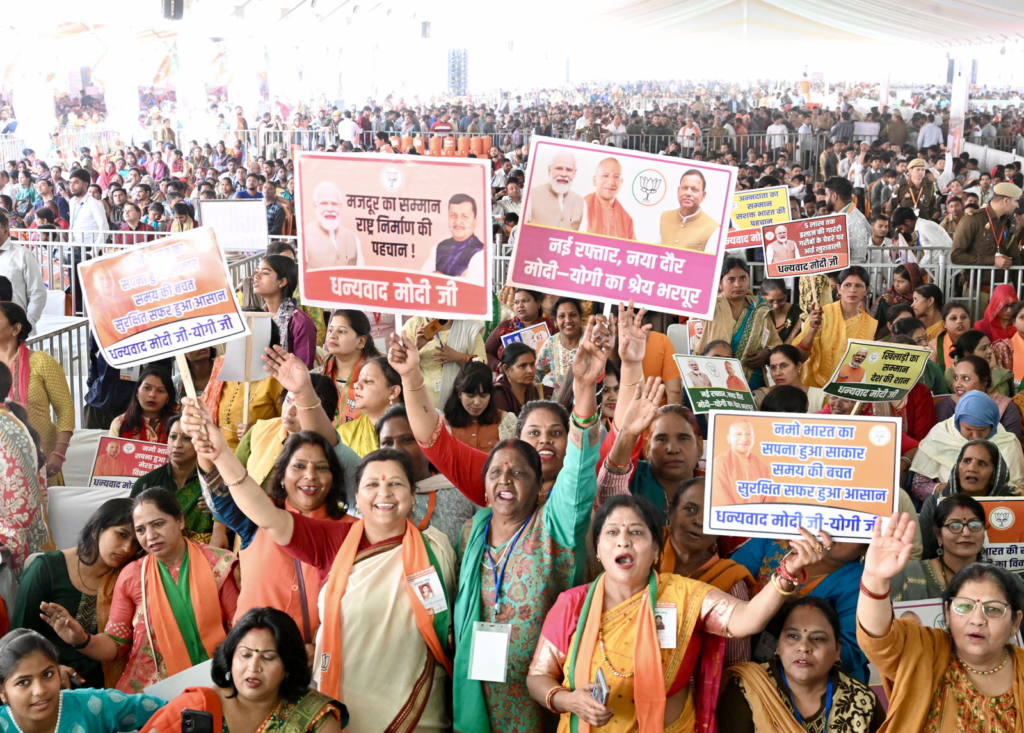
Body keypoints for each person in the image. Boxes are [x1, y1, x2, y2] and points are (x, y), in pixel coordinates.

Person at [390, 312, 612, 732]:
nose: (506, 480)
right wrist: (411, 376)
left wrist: (584, 389)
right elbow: (435, 441)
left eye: (519, 473)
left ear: (537, 485)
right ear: (484, 486)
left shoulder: (555, 524)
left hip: (545, 692)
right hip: (479, 686)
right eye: (496, 473)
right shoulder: (474, 530)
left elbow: (581, 467)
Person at [184, 397, 455, 733]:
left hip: (421, 705)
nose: (383, 493)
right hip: (348, 700)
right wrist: (221, 453)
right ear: (358, 496)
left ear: (413, 496)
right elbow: (264, 515)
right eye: (372, 484)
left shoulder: (437, 549)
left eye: (395, 483)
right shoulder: (334, 538)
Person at [526, 494, 828, 733]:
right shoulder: (572, 604)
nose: (623, 540)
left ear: (656, 550)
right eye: (612, 532)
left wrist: (787, 573)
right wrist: (567, 699)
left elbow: (746, 620)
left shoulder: (684, 595)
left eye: (636, 532)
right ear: (597, 549)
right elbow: (538, 677)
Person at [41, 488, 238, 692]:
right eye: (141, 530)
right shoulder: (133, 575)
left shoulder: (218, 565)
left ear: (180, 520)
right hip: (150, 692)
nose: (150, 536)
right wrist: (82, 639)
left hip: (215, 682)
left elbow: (240, 632)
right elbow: (115, 645)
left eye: (158, 524)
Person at [857, 513, 1024, 733]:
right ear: (947, 613)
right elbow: (878, 639)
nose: (977, 620)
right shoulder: (923, 649)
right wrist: (874, 579)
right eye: (964, 607)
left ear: (1015, 622)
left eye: (993, 609)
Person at [139, 607, 346, 733]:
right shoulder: (195, 708)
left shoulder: (312, 715)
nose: (253, 667)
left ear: (288, 667)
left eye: (268, 657)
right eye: (245, 655)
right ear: (230, 659)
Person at [11, 499, 138, 689]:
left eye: (135, 543)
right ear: (97, 529)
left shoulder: (129, 578)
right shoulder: (46, 569)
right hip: (48, 678)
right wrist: (49, 669)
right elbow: (19, 637)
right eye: (122, 534)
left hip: (106, 682)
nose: (127, 548)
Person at [719, 596, 885, 733]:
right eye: (793, 636)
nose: (804, 647)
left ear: (837, 650)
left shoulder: (862, 700)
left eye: (818, 638)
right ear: (777, 645)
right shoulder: (748, 689)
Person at [0, 630, 166, 733]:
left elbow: (170, 711)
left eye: (47, 675)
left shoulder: (94, 705)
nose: (40, 690)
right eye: (23, 682)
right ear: (2, 693)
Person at [0, 303, 74, 484]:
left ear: (16, 328)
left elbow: (65, 409)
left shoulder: (42, 362)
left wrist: (58, 453)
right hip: (3, 459)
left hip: (41, 456)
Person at [910, 391, 1024, 503]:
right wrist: (946, 489)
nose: (975, 436)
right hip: (946, 507)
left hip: (997, 509)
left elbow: (1019, 490)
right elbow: (918, 486)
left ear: (993, 424)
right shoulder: (939, 437)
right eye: (968, 429)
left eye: (982, 430)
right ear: (958, 422)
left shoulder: (1007, 443)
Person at [131, 416, 226, 546]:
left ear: (202, 442)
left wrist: (220, 510)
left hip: (208, 551)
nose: (177, 445)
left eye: (187, 438)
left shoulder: (217, 481)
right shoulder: (146, 483)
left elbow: (239, 522)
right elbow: (133, 527)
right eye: (173, 437)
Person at [918, 440, 1021, 558]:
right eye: (966, 461)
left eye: (982, 463)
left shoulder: (1013, 506)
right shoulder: (934, 504)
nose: (972, 468)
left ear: (995, 475)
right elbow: (925, 554)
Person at [698, 258, 781, 390]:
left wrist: (767, 352)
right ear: (720, 283)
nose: (738, 284)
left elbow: (776, 342)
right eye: (731, 279)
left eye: (743, 278)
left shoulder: (761, 308)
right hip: (715, 381)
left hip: (753, 383)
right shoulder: (709, 307)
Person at [797, 266, 877, 388]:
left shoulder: (870, 323)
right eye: (847, 285)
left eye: (858, 286)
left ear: (866, 290)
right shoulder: (822, 314)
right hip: (817, 387)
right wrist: (812, 329)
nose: (852, 290)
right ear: (839, 289)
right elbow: (799, 356)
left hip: (850, 389)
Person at [402, 316, 486, 409]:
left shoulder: (469, 327)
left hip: (459, 404)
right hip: (421, 403)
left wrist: (459, 357)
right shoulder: (413, 325)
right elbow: (401, 365)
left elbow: (482, 367)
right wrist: (417, 346)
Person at [316, 310, 381, 427]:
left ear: (361, 341)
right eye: (330, 330)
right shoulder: (318, 375)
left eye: (342, 331)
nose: (332, 335)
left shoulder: (378, 380)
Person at [253, 255, 317, 369]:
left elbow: (304, 369)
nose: (256, 276)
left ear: (282, 282)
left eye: (265, 273)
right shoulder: (257, 317)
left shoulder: (301, 323)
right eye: (257, 271)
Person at [935, 355, 1021, 439]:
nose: (957, 384)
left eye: (966, 378)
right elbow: (942, 443)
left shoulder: (1005, 407)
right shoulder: (946, 406)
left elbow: (1010, 444)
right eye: (956, 377)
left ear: (984, 382)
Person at [443, 361, 517, 451]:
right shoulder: (443, 425)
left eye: (484, 395)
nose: (477, 402)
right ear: (459, 393)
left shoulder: (505, 422)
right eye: (471, 395)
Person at [337, 355, 402, 457]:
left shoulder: (415, 429)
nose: (357, 385)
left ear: (393, 391)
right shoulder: (345, 433)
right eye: (358, 380)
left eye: (368, 381)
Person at [710, 418, 774, 506]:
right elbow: (720, 499)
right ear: (729, 438)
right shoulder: (719, 464)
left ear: (754, 438)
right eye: (738, 434)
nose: (744, 438)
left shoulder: (762, 467)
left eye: (748, 434)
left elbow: (771, 498)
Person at [484, 289, 552, 370]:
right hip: (508, 376)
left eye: (525, 301)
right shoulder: (506, 326)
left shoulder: (550, 326)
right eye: (516, 302)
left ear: (538, 302)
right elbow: (485, 352)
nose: (520, 305)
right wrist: (499, 366)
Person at [0, 211, 46, 327]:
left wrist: (28, 322)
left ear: (5, 229)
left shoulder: (22, 254)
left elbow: (37, 293)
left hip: (16, 326)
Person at [109, 366, 177, 443]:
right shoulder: (120, 423)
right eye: (147, 388)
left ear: (168, 397)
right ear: (137, 392)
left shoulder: (179, 424)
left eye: (160, 391)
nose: (152, 395)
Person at [658, 169, 721, 252]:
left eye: (694, 190)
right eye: (684, 188)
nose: (688, 193)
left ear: (703, 195)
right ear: (678, 191)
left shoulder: (713, 229)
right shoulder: (664, 217)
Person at [425, 194, 484, 279]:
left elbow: (471, 284)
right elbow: (424, 277)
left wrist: (438, 275)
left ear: (475, 221)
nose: (458, 222)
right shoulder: (439, 248)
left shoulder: (481, 252)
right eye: (453, 215)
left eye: (464, 216)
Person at [753, 344, 826, 411]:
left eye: (784, 366)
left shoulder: (821, 397)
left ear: (798, 366)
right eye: (773, 367)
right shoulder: (761, 396)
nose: (778, 373)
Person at [535, 297, 584, 392]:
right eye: (562, 316)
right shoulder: (551, 343)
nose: (568, 320)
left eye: (573, 315)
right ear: (555, 321)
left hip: (588, 399)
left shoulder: (591, 340)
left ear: (580, 317)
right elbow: (537, 373)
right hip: (560, 400)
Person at [526, 151, 584, 230]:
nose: (564, 174)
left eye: (569, 169)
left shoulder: (580, 201)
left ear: (574, 173)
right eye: (559, 168)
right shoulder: (531, 196)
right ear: (550, 170)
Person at [947, 330, 1014, 397]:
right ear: (967, 353)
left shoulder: (1001, 375)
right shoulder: (950, 374)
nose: (990, 351)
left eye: (989, 346)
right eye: (983, 348)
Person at [581, 157, 635, 239]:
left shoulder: (627, 220)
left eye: (616, 177)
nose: (611, 182)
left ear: (621, 182)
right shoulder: (581, 207)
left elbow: (632, 246)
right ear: (595, 180)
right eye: (605, 176)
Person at [872, 262, 924, 336]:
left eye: (901, 282)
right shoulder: (888, 297)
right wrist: (891, 306)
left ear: (913, 281)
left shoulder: (921, 297)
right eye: (895, 280)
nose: (896, 285)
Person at [491, 342, 541, 417]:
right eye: (523, 366)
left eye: (532, 364)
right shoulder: (498, 394)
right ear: (506, 369)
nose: (530, 370)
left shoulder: (532, 390)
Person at [929, 301, 972, 372]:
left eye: (963, 317)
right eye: (953, 318)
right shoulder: (934, 346)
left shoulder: (979, 341)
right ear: (944, 324)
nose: (959, 321)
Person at [761, 279, 803, 345]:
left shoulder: (798, 312)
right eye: (770, 301)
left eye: (781, 300)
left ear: (785, 295)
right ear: (761, 296)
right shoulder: (755, 313)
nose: (776, 306)